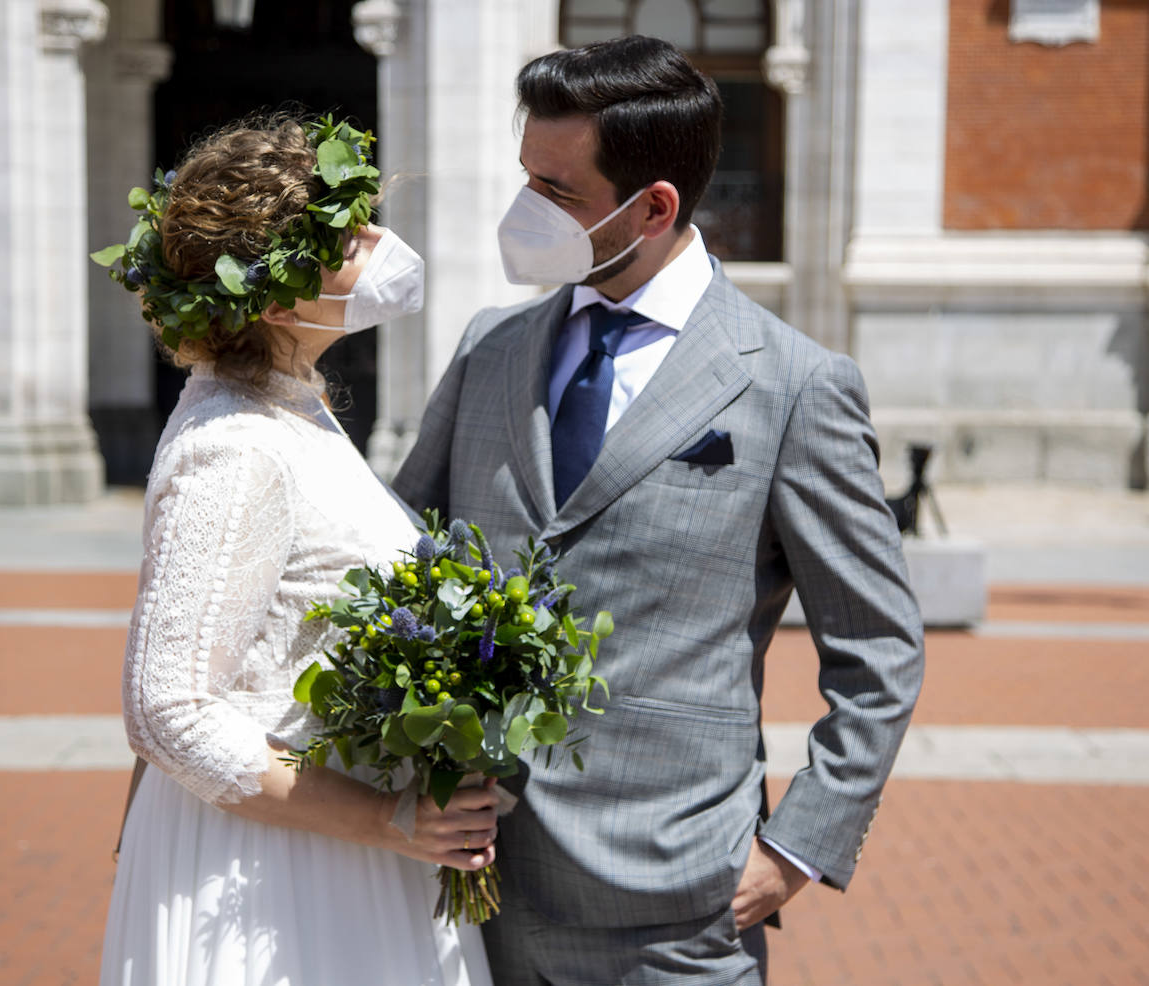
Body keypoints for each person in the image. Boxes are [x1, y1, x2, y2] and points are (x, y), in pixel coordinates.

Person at [391, 36, 925, 986]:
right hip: (476, 889)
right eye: (527, 178)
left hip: (680, 911)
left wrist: (798, 847)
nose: (525, 211)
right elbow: (400, 552)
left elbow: (879, 649)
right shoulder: (489, 348)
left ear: (655, 206)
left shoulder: (797, 385)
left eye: (556, 191)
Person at [98, 115, 497, 986]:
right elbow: (166, 712)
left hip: (338, 844)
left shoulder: (290, 403)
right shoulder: (233, 445)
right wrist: (390, 821)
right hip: (276, 874)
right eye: (347, 234)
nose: (379, 243)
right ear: (275, 296)